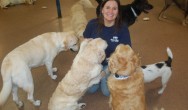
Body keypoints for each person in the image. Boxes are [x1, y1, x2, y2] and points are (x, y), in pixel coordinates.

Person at [83, 0, 131, 96]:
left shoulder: (123, 28)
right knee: (90, 90)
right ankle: (100, 77)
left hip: (110, 65)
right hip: (93, 63)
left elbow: (127, 51)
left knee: (106, 92)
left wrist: (113, 60)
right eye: (107, 7)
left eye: (114, 8)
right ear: (102, 10)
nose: (111, 11)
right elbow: (84, 42)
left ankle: (105, 76)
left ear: (118, 12)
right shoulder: (92, 24)